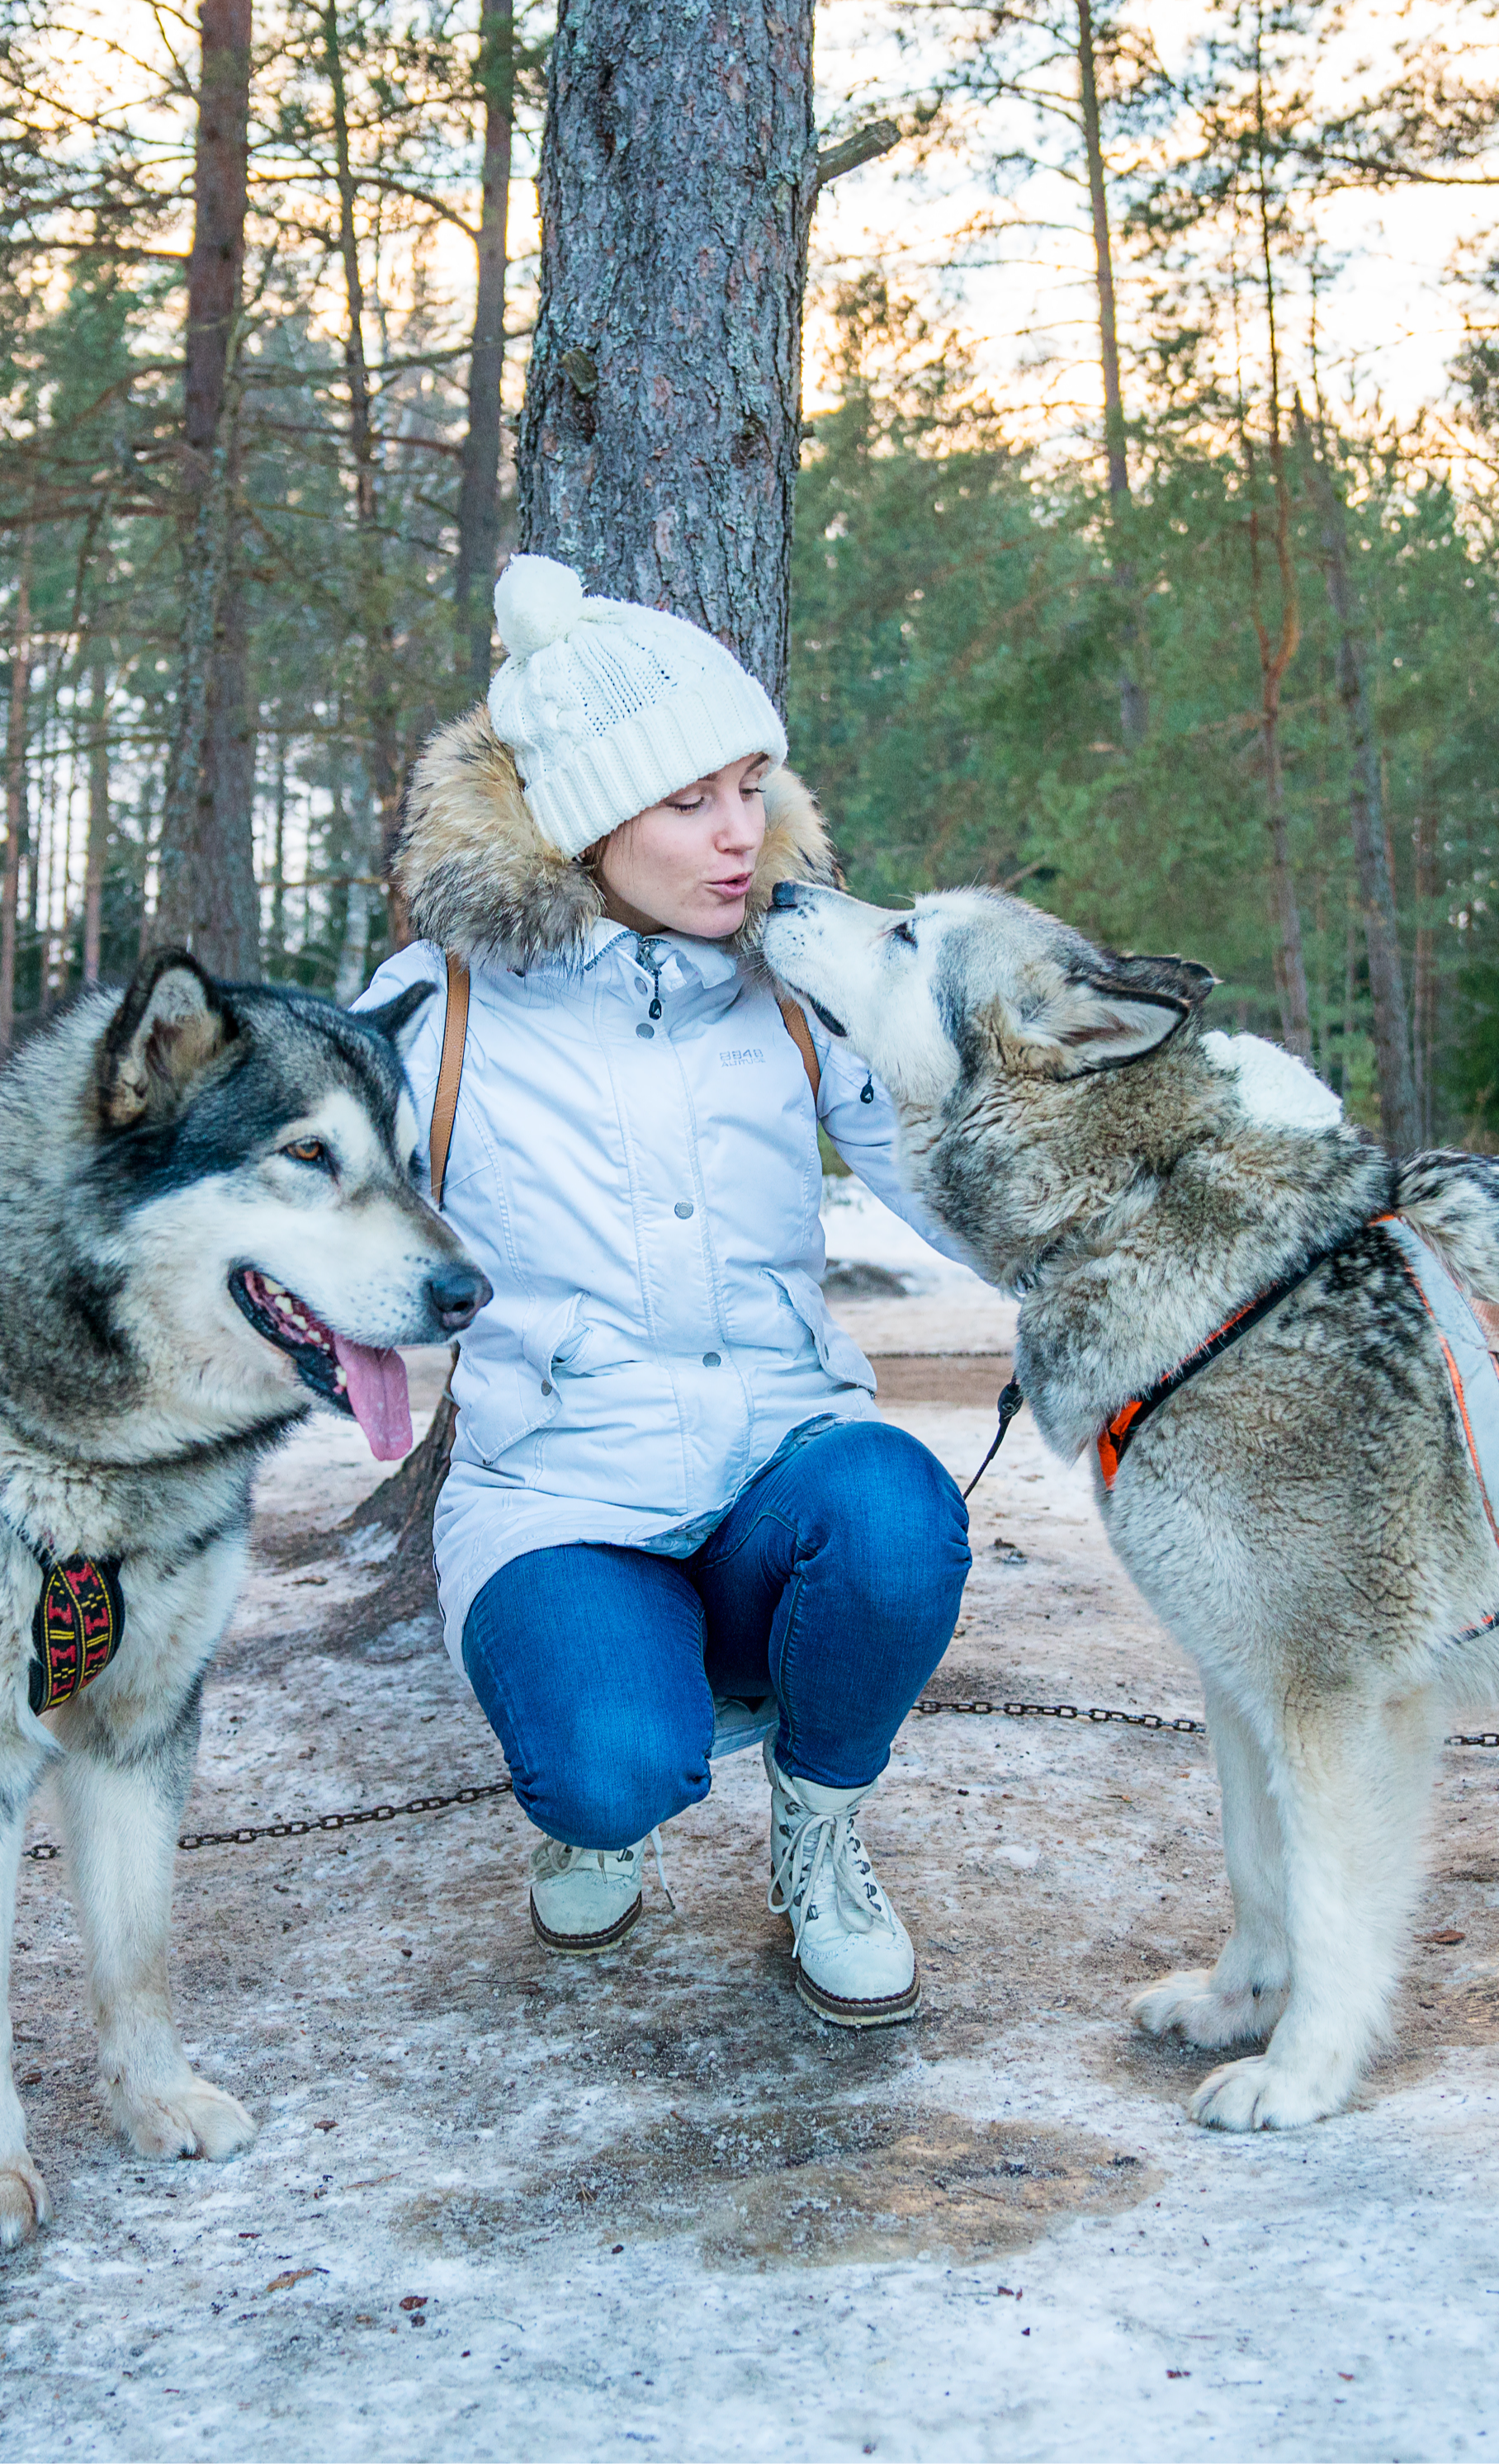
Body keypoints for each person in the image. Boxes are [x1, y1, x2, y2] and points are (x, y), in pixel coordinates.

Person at [354, 555, 976, 2027]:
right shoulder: (431, 1008)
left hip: (781, 1465)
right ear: (584, 818)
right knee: (611, 1762)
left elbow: (967, 1181)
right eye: (691, 802)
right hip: (558, 1494)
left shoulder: (803, 981)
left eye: (752, 789)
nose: (740, 837)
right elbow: (288, 1207)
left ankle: (820, 1819)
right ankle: (600, 1775)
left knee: (897, 1514)